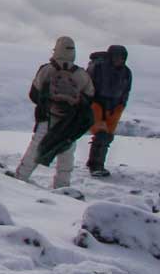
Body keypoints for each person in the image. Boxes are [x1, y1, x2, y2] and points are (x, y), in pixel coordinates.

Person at [14, 36, 95, 189]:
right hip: (69, 122)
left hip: (47, 117)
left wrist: (49, 104)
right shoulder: (81, 74)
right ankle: (62, 186)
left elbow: (34, 94)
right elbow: (89, 97)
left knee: (36, 147)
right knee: (66, 152)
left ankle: (20, 178)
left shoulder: (47, 69)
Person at [86, 45, 132, 178]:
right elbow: (88, 85)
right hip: (96, 104)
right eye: (117, 57)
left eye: (122, 58)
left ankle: (95, 163)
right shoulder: (98, 67)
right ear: (110, 56)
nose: (120, 60)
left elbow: (126, 90)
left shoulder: (126, 72)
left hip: (114, 107)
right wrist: (90, 102)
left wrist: (122, 105)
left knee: (108, 136)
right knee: (100, 133)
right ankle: (96, 166)